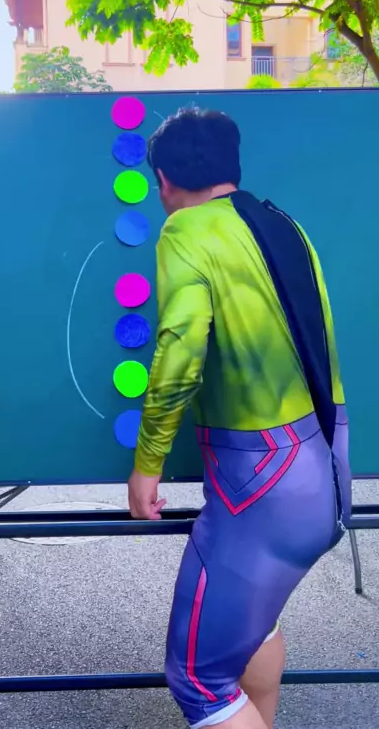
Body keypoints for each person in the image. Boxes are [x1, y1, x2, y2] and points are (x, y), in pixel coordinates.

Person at [127, 106, 351, 729]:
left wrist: (147, 465)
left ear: (164, 180)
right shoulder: (282, 223)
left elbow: (179, 356)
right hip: (326, 468)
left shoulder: (186, 231)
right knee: (254, 627)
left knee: (199, 679)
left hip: (263, 484)